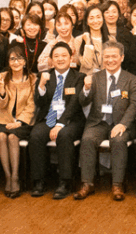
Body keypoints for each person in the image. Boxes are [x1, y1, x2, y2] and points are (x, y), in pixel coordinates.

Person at [75, 41, 136, 201]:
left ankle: (117, 185)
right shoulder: (95, 78)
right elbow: (83, 101)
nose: (110, 60)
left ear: (122, 57)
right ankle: (87, 184)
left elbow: (134, 105)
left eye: (114, 56)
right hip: (98, 122)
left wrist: (123, 124)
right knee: (87, 139)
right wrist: (86, 88)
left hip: (121, 123)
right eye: (107, 57)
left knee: (118, 141)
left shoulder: (132, 79)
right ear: (103, 58)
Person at [29, 42, 86, 199]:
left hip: (72, 121)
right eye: (56, 56)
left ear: (71, 58)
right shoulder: (44, 76)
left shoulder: (79, 77)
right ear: (51, 60)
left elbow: (74, 104)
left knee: (64, 135)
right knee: (36, 135)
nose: (60, 59)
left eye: (64, 55)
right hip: (49, 118)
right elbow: (39, 103)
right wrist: (41, 85)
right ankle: (39, 181)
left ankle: (65, 182)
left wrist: (60, 124)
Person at [0, 49, 36, 198]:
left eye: (19, 59)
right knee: (1, 136)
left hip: (24, 121)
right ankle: (8, 177)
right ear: (8, 62)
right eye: (12, 59)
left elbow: (32, 104)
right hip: (4, 119)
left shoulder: (32, 78)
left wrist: (20, 121)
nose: (15, 62)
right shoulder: (2, 77)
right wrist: (1, 90)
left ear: (25, 61)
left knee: (12, 137)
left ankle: (16, 177)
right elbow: (0, 104)